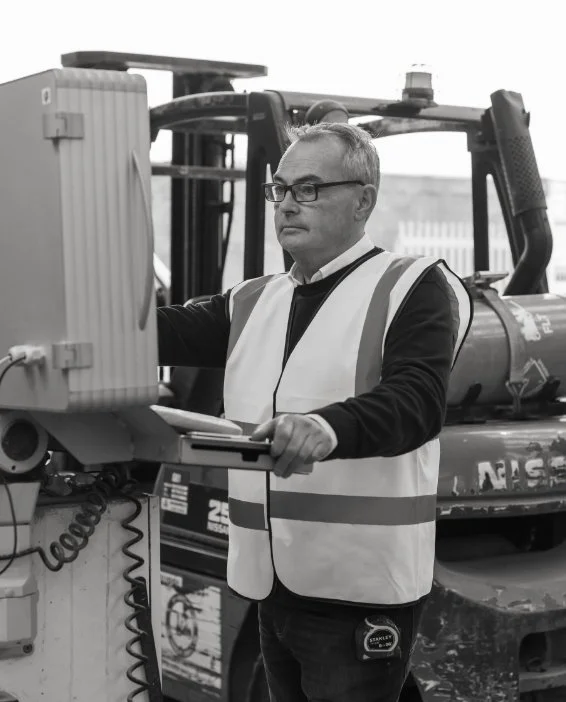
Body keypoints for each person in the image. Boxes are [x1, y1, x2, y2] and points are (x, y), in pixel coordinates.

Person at [157, 121, 473, 702]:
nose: (286, 205)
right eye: (279, 189)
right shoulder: (255, 300)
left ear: (363, 200)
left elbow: (418, 399)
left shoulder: (413, 286)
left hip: (356, 590)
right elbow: (155, 333)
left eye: (308, 189)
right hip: (271, 583)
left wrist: (326, 426)